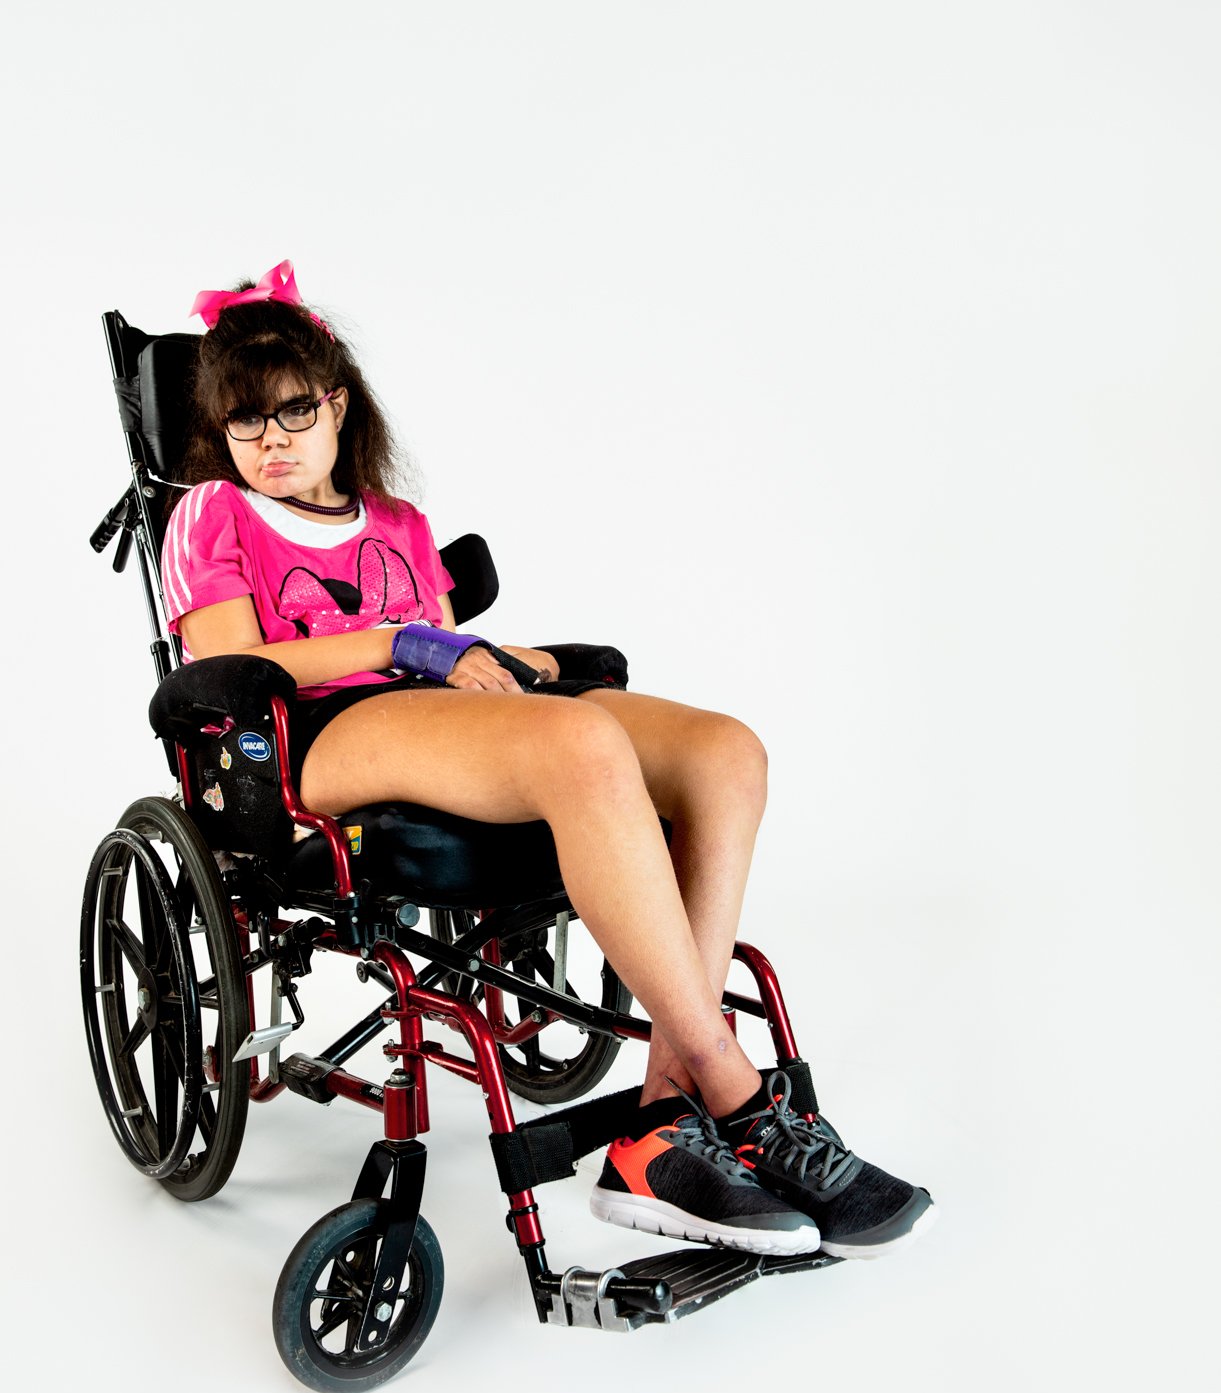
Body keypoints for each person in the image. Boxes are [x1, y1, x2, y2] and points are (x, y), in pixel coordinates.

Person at [165, 260, 936, 1260]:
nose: (270, 440)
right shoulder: (213, 515)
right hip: (312, 738)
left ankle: (662, 1127)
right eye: (244, 422)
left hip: (429, 717)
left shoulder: (399, 524)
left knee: (722, 752)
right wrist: (397, 642)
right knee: (580, 741)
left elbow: (452, 663)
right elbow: (230, 663)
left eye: (292, 412)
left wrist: (500, 658)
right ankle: (736, 1089)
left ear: (337, 404)